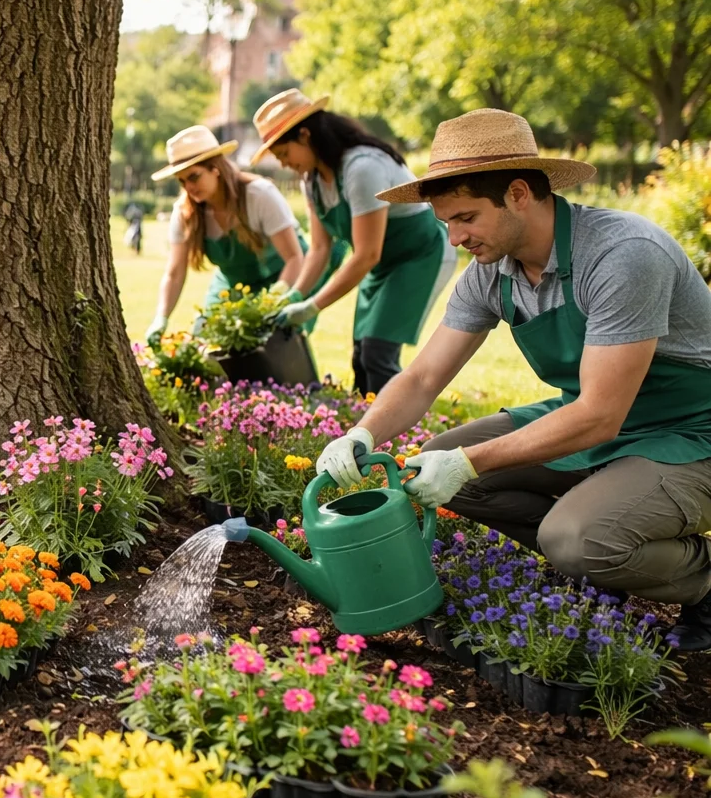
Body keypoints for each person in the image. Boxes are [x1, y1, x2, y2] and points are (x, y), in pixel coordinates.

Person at [314, 108, 711, 650]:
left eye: (467, 218)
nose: (454, 238)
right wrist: (361, 434)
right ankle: (604, 546)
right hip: (602, 421)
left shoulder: (623, 256)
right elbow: (425, 375)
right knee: (443, 462)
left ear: (519, 194)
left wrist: (469, 462)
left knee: (571, 538)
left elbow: (600, 412)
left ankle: (685, 576)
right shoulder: (491, 272)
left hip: (691, 433)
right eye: (445, 221)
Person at [252, 89, 456, 394]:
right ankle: (363, 428)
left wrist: (311, 307)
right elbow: (320, 249)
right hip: (380, 262)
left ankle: (396, 432)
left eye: (284, 154)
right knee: (362, 354)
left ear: (305, 136)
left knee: (378, 352)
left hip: (418, 256)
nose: (283, 164)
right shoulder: (313, 181)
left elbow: (366, 254)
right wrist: (294, 296)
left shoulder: (362, 168)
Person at [146, 125, 346, 343]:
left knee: (277, 344)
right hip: (233, 286)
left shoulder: (258, 195)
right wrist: (161, 317)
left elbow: (294, 258)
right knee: (208, 342)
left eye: (194, 177)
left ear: (216, 169)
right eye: (182, 181)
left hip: (285, 277)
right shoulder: (185, 212)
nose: (188, 188)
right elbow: (175, 272)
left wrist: (275, 299)